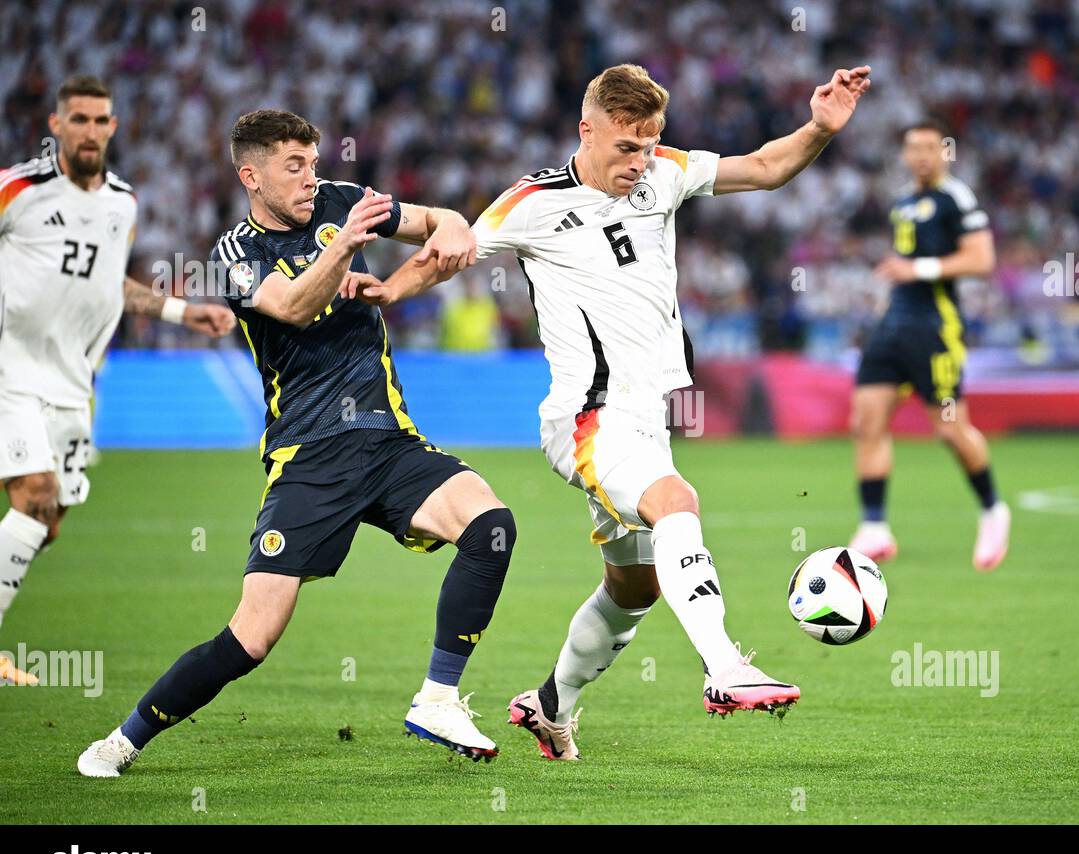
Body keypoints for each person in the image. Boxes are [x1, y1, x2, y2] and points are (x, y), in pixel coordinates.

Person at [366, 63, 872, 760]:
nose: (640, 161)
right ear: (587, 131)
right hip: (587, 418)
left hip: (647, 418)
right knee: (676, 501)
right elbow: (451, 249)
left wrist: (818, 127)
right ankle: (724, 666)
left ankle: (550, 704)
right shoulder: (533, 203)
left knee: (633, 588)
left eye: (650, 143)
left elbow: (763, 168)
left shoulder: (665, 168)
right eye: (625, 147)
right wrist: (391, 289)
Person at [77, 108, 512, 776]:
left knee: (490, 524)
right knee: (251, 637)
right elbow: (289, 305)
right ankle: (125, 738)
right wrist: (342, 247)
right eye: (294, 165)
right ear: (251, 175)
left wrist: (443, 231)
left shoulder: (342, 202)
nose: (313, 177)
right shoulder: (235, 252)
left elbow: (440, 224)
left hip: (388, 438)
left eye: (313, 162)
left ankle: (437, 695)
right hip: (309, 456)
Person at [0, 75, 233, 686]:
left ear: (114, 127)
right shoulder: (18, 190)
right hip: (12, 371)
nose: (91, 131)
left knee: (47, 521)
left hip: (76, 382)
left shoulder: (121, 203)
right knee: (35, 493)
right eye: (78, 119)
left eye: (101, 120)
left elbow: (112, 285)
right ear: (56, 125)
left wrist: (183, 311)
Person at [849, 121, 1009, 571]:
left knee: (949, 428)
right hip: (892, 324)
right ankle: (874, 526)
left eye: (928, 147)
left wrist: (917, 270)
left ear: (945, 152)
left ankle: (993, 509)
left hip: (934, 326)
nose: (920, 155)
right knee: (866, 421)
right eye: (912, 148)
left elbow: (982, 260)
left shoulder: (955, 198)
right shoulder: (902, 201)